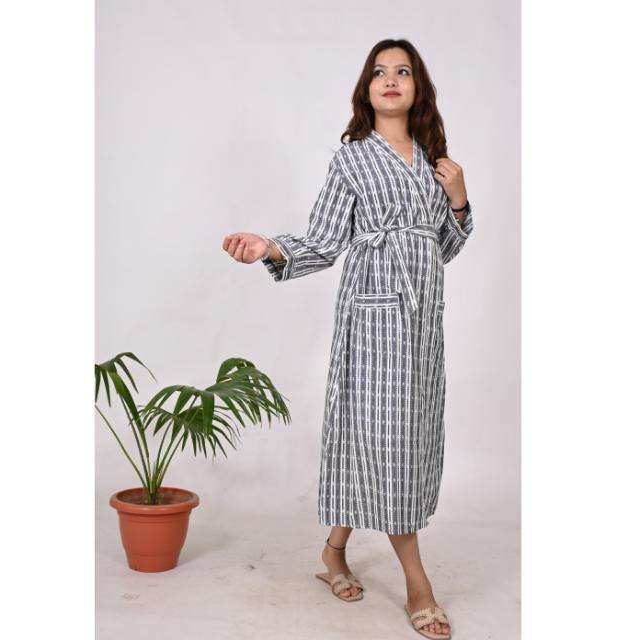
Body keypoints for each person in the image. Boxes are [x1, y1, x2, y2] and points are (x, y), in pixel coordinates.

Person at [222, 38, 473, 639]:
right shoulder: (352, 159)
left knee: (396, 439)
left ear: (418, 88)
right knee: (385, 437)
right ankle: (418, 584)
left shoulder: (436, 163)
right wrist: (269, 247)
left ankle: (333, 552)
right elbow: (325, 240)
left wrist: (460, 202)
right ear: (366, 88)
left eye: (403, 71)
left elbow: (443, 248)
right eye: (379, 71)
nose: (391, 79)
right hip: (372, 319)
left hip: (421, 325)